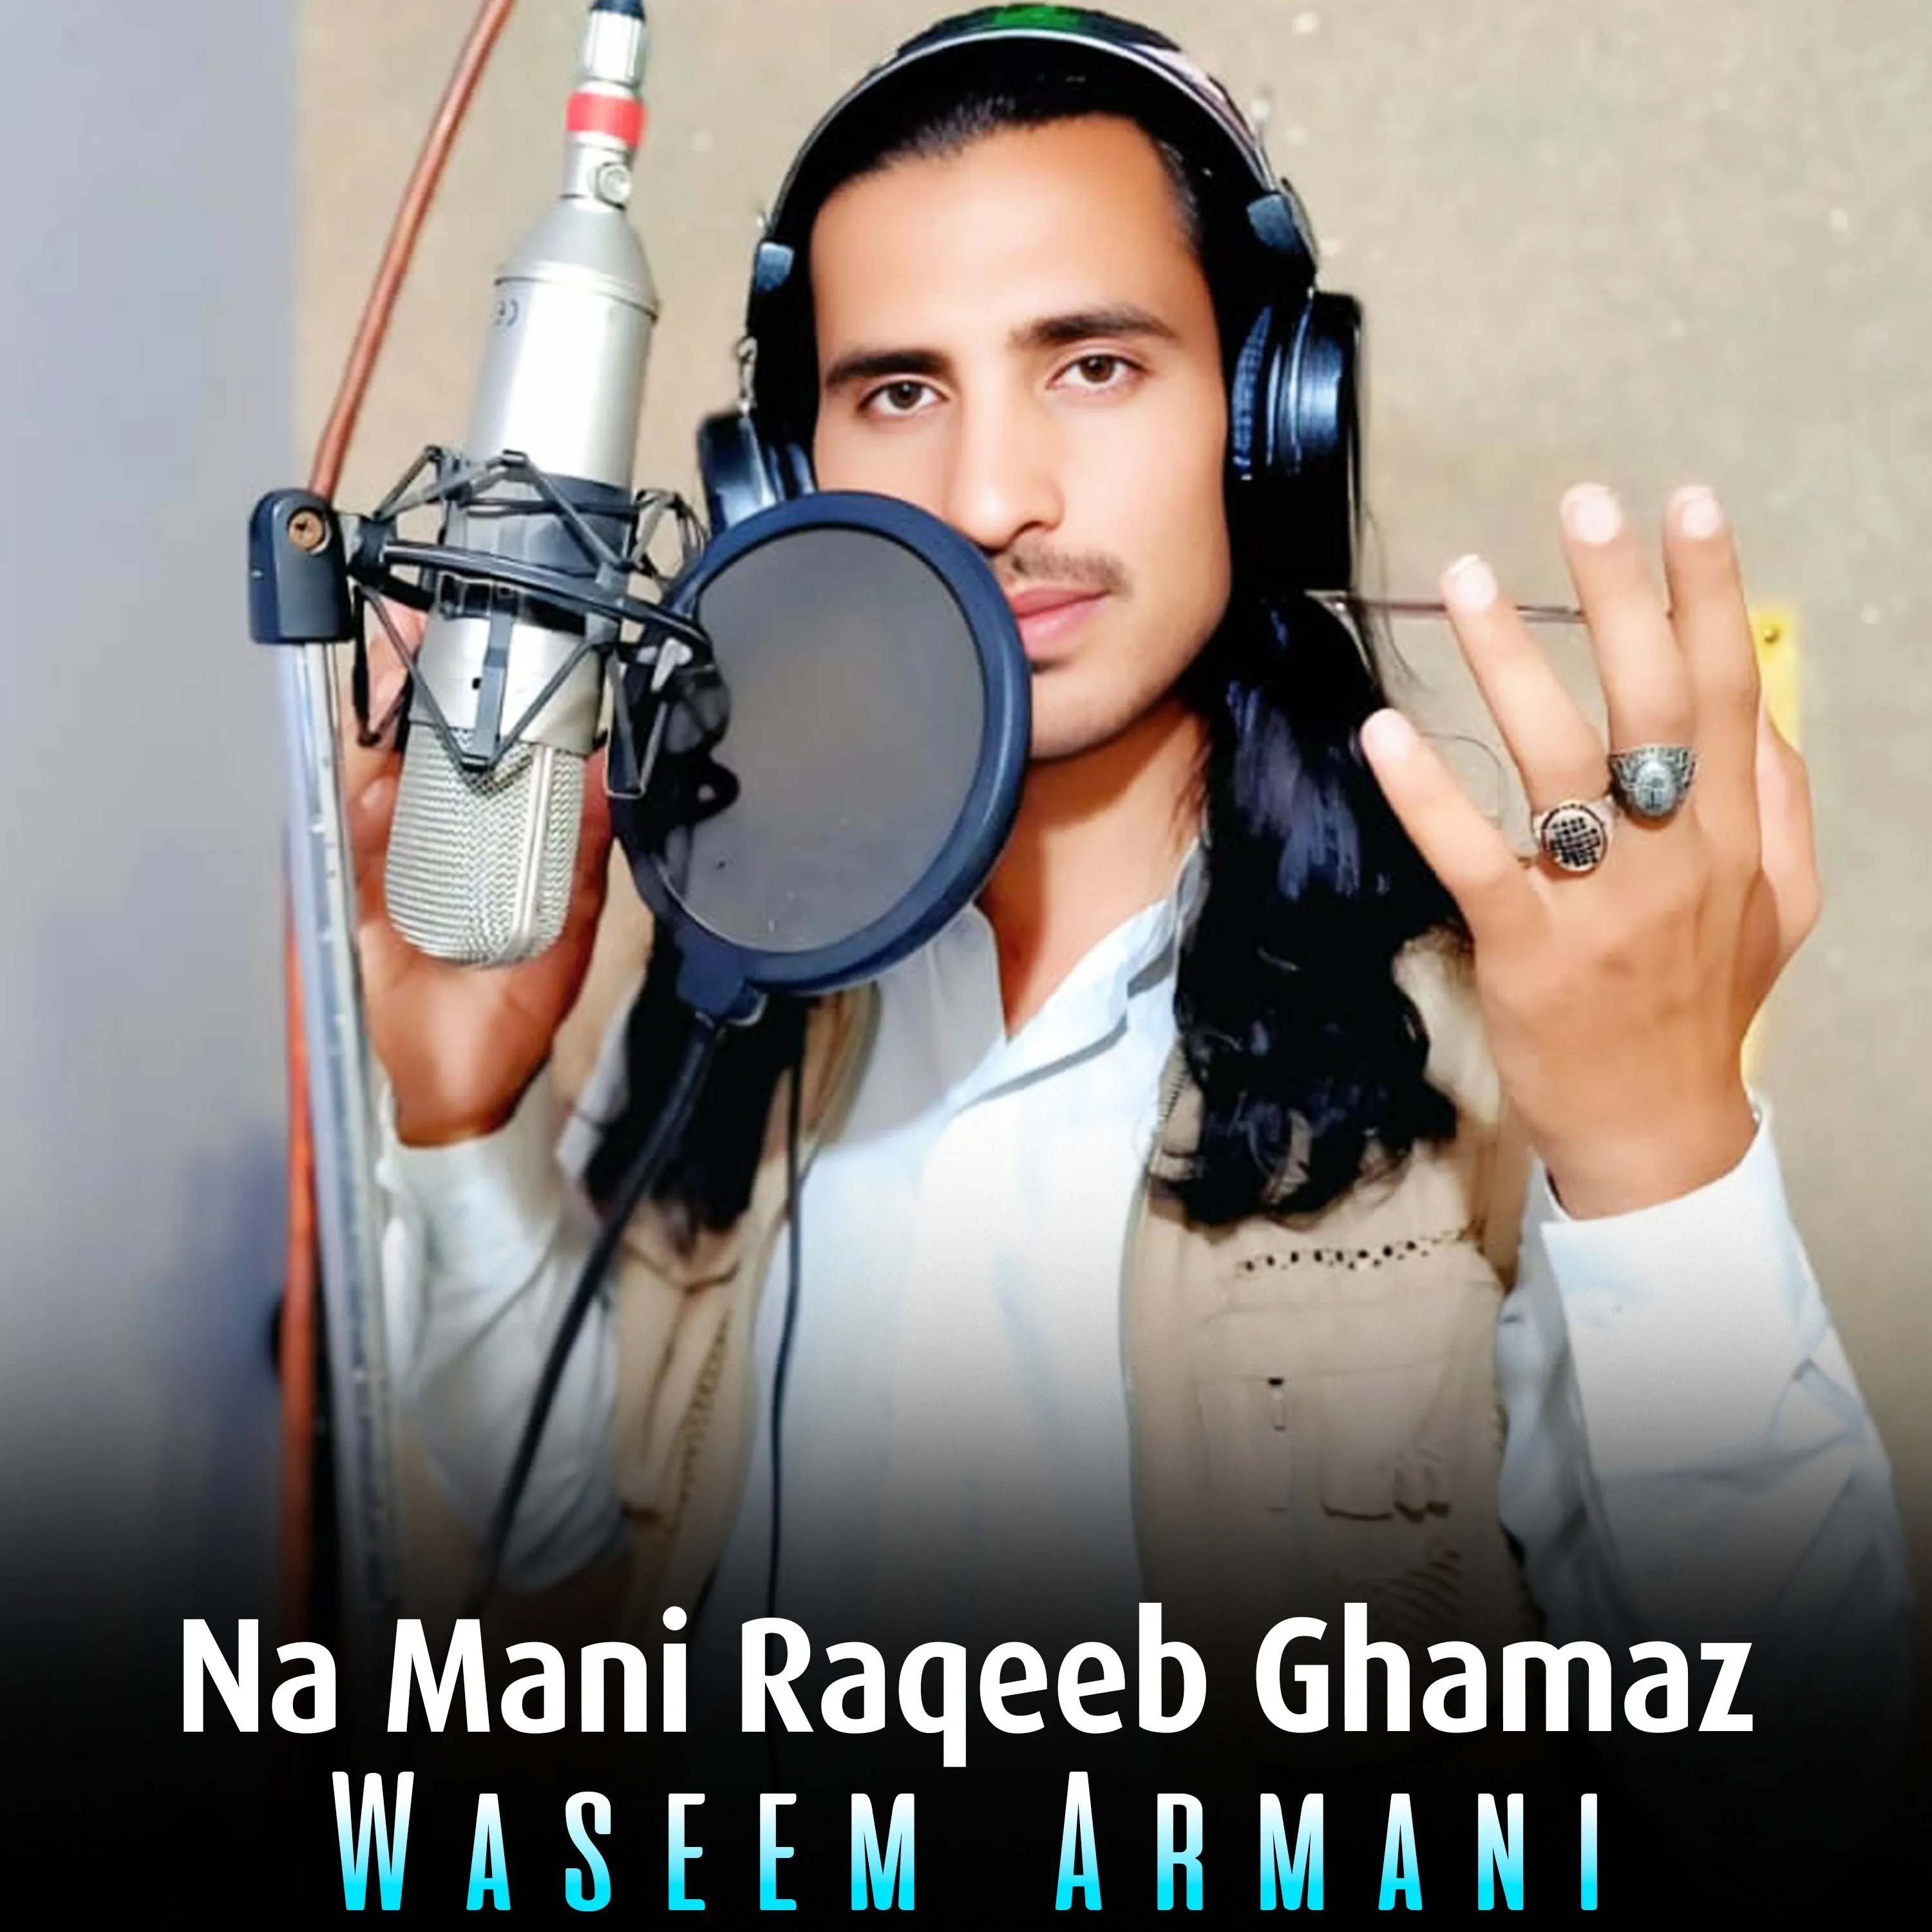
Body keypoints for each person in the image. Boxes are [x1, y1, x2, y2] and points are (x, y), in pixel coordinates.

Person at [357, 8, 1908, 1767]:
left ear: (1268, 425)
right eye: (899, 393)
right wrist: (461, 1129)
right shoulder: (735, 984)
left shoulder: (1511, 1044)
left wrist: (1660, 1170)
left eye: (1092, 366)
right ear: (788, 486)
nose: (992, 496)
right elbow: (567, 1562)